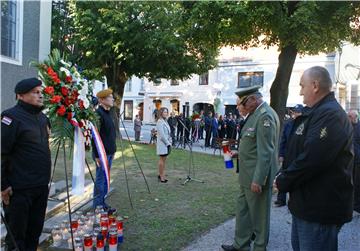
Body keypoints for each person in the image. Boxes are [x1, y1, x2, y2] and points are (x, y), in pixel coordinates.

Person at [275, 66, 354, 251]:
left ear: (315, 85)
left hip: (319, 208)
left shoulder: (330, 115)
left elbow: (312, 158)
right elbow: (297, 151)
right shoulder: (316, 113)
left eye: (303, 86)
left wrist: (284, 180)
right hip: (306, 205)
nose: (301, 91)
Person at [222, 85, 280, 251]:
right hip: (247, 176)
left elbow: (266, 152)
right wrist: (237, 154)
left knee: (260, 217)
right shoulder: (256, 114)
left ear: (254, 99)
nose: (240, 107)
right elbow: (253, 146)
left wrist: (259, 179)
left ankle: (260, 247)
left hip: (256, 178)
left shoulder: (265, 116)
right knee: (243, 212)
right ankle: (241, 244)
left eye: (242, 103)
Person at [1, 78, 51, 251]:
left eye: (41, 92)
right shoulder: (10, 117)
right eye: (35, 92)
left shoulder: (43, 118)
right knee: (16, 237)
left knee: (34, 233)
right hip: (19, 189)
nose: (40, 95)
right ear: (21, 95)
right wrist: (3, 185)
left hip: (40, 186)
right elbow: (2, 153)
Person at [274, 104, 303, 207]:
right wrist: (281, 154)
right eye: (294, 112)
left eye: (297, 112)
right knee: (283, 175)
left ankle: (294, 200)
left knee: (295, 177)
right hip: (287, 155)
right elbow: (283, 140)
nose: (294, 114)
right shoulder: (288, 124)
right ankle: (281, 199)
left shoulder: (304, 125)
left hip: (298, 156)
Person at [92, 89, 116, 209]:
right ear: (101, 100)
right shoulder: (98, 114)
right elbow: (95, 136)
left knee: (106, 179)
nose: (113, 99)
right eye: (110, 97)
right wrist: (97, 155)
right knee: (101, 180)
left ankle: (102, 203)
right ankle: (98, 205)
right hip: (102, 154)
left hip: (110, 152)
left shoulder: (108, 113)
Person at [348, 110, 360, 213]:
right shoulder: (348, 126)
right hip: (350, 159)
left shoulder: (358, 127)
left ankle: (356, 205)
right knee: (350, 181)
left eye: (350, 116)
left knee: (357, 182)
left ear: (355, 117)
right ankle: (352, 203)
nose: (349, 118)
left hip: (358, 160)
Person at [156, 107, 172, 183]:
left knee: (164, 160)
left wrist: (170, 141)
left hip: (166, 143)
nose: (166, 113)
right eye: (164, 112)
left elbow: (168, 133)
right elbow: (162, 135)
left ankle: (161, 174)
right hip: (162, 144)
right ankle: (161, 176)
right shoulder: (160, 122)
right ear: (161, 113)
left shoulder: (165, 121)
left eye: (166, 112)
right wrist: (167, 143)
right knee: (162, 159)